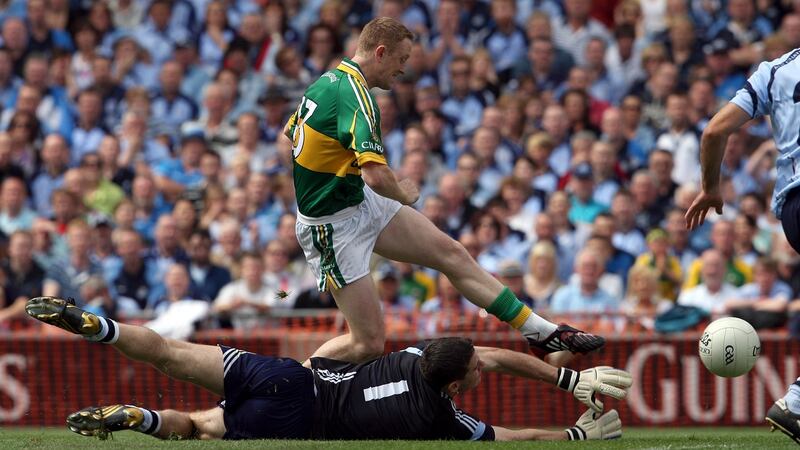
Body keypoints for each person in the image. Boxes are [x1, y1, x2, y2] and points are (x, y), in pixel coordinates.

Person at [283, 17, 603, 364]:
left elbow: (292, 133)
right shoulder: (357, 96)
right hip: (333, 226)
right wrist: (403, 194)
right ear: (380, 53)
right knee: (368, 343)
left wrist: (333, 172)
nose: (404, 69)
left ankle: (540, 332)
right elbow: (377, 176)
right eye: (402, 59)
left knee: (451, 253)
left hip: (355, 200)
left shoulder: (324, 82)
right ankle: (287, 392)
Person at [25, 295, 629, 442]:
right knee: (202, 427)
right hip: (297, 417)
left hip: (289, 376)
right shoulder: (438, 417)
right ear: (455, 385)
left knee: (168, 353)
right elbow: (514, 436)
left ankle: (100, 327)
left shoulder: (415, 357)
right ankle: (142, 417)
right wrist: (574, 432)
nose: (481, 372)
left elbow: (487, 356)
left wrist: (569, 378)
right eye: (473, 374)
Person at [683, 46, 800, 440]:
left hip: (792, 208)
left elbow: (715, 129)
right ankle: (797, 403)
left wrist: (711, 187)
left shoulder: (774, 71)